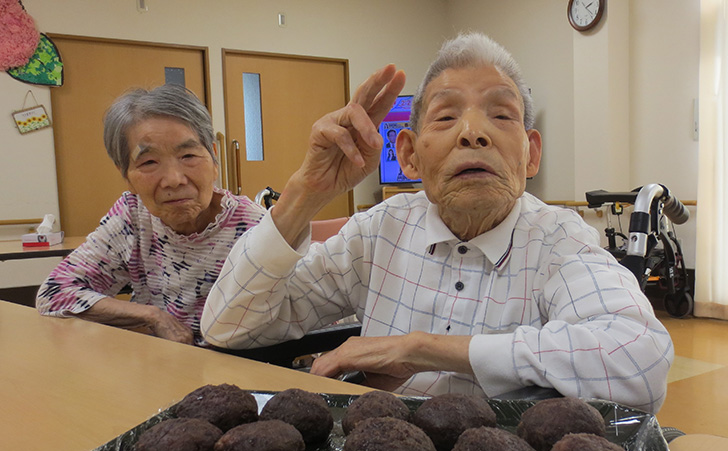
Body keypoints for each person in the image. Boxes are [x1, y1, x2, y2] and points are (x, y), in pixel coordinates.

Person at [202, 32, 673, 414]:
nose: (473, 131)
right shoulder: (378, 231)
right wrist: (307, 190)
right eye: (446, 116)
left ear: (530, 153)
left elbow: (639, 360)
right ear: (408, 154)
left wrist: (418, 348)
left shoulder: (558, 239)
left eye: (501, 114)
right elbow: (229, 327)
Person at [36, 84, 266, 345]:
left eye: (188, 155)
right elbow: (54, 293)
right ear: (127, 176)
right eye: (148, 162)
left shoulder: (253, 227)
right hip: (159, 365)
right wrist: (152, 317)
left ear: (214, 160)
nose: (174, 180)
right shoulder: (133, 216)